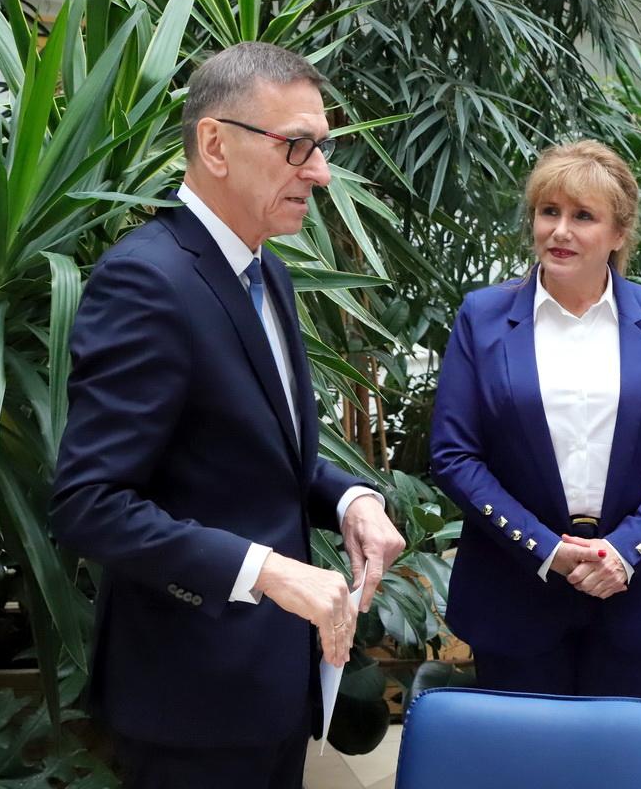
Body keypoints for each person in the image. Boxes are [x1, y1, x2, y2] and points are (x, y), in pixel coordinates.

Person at [51, 42, 405, 788]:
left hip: (272, 687)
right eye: (297, 145)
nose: (320, 171)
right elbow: (89, 504)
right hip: (189, 702)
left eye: (322, 146)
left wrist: (352, 498)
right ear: (215, 144)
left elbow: (258, 448)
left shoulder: (266, 270)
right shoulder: (146, 281)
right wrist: (265, 570)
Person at [430, 140, 641, 699]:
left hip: (630, 595)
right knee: (527, 751)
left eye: (583, 216)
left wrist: (626, 550)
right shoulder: (482, 318)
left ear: (619, 233)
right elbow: (454, 455)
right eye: (549, 212)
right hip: (513, 595)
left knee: (623, 751)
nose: (560, 231)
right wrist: (545, 549)